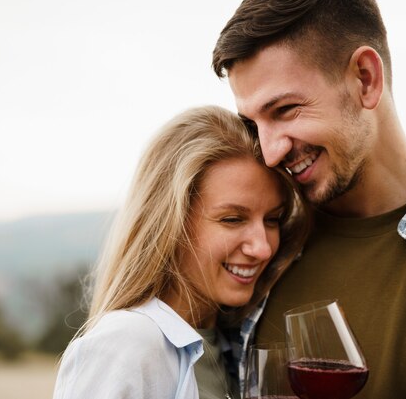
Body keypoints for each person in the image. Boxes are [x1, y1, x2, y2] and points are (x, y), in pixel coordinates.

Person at [211, 0, 406, 398]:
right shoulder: (256, 251)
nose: (268, 152)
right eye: (253, 124)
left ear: (366, 79)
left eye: (285, 110)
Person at [52, 106, 309, 399]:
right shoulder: (126, 345)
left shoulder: (231, 345)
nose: (262, 248)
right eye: (232, 219)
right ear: (169, 223)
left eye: (272, 219)